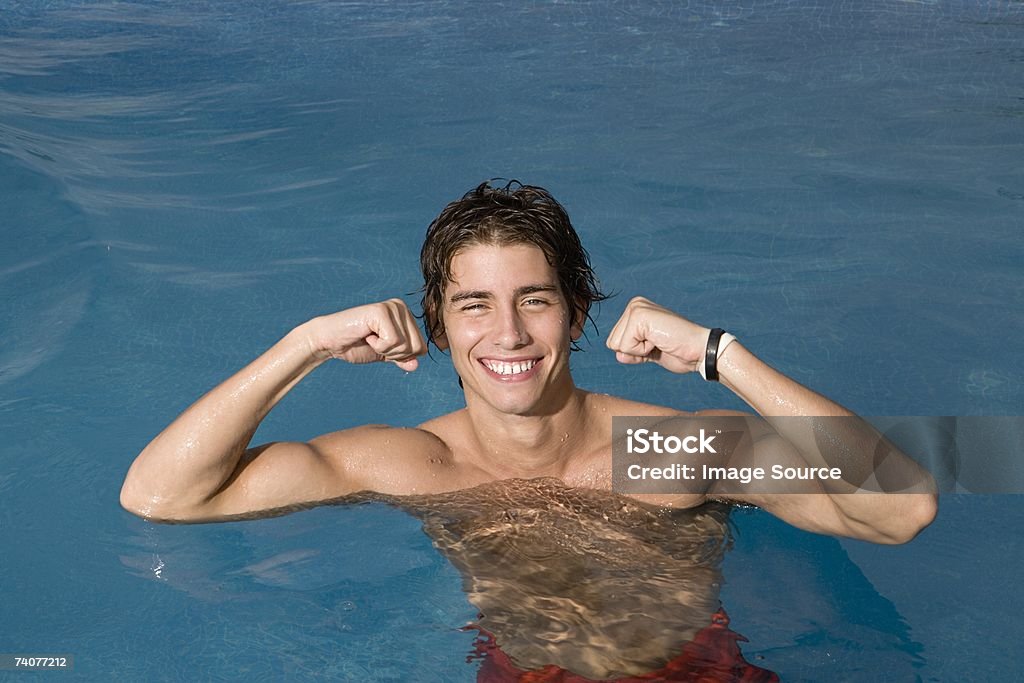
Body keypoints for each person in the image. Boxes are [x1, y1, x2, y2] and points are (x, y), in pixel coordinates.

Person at [120, 180, 936, 544]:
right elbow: (160, 497)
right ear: (437, 326)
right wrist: (301, 347)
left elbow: (901, 509)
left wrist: (724, 356)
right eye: (473, 304)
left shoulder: (662, 450)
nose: (507, 333)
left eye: (535, 299)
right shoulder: (414, 464)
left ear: (577, 313)